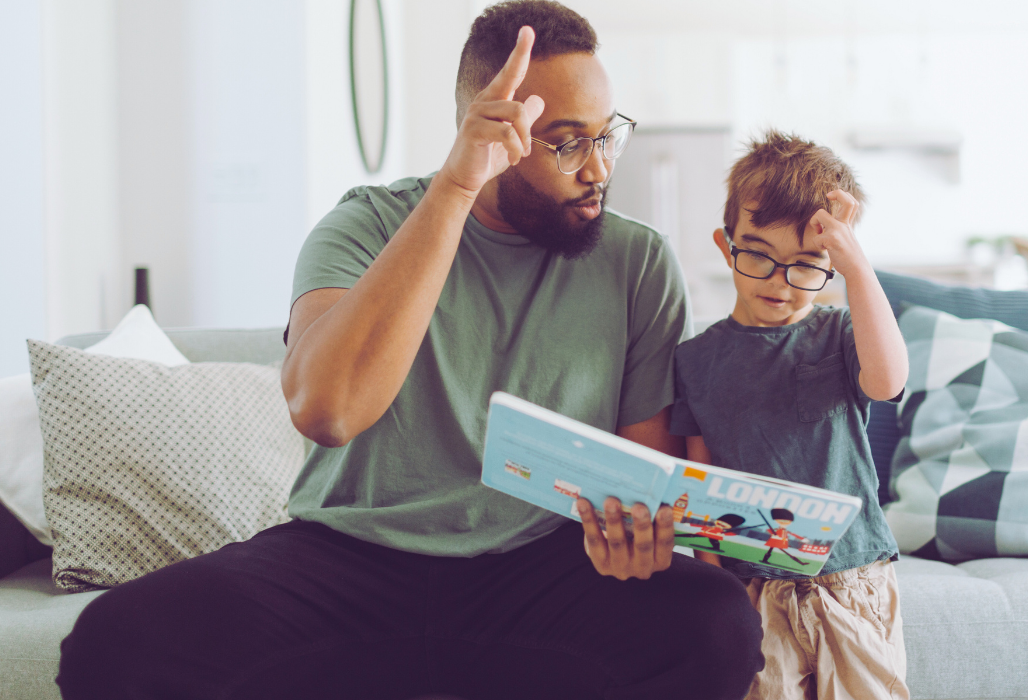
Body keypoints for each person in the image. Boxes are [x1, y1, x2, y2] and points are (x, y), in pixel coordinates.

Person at [54, 3, 763, 699]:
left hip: (540, 568)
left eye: (609, 136)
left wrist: (635, 536)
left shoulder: (636, 261)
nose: (599, 169)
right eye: (568, 142)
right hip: (349, 560)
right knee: (114, 642)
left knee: (715, 626)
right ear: (489, 134)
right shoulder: (362, 225)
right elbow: (326, 410)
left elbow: (643, 473)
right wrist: (456, 188)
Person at [670, 130, 911, 700]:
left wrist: (856, 268)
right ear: (726, 245)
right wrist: (716, 582)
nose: (780, 281)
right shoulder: (695, 360)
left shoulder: (838, 333)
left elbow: (889, 379)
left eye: (806, 265)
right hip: (754, 588)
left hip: (851, 582)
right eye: (758, 254)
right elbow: (702, 483)